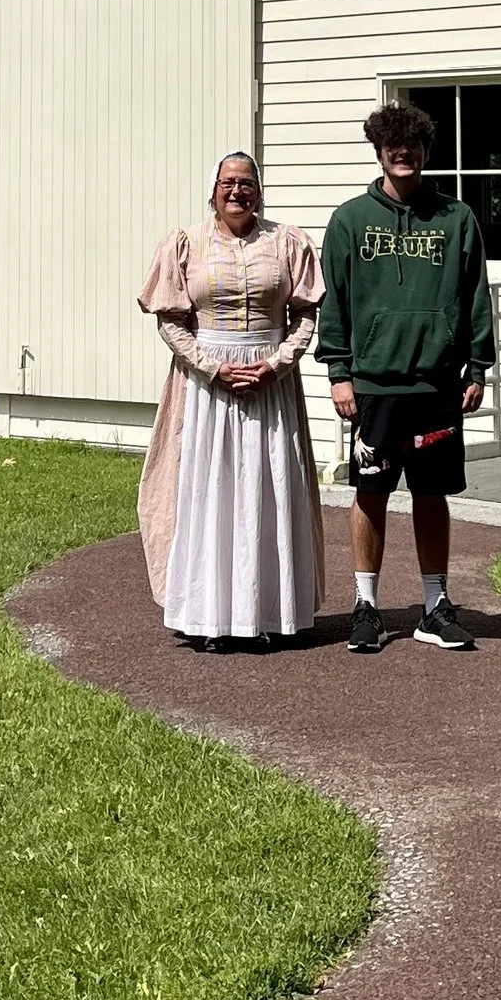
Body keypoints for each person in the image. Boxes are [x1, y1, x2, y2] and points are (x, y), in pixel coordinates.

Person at [316, 100, 495, 653]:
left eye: (413, 146)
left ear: (423, 152)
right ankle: (366, 606)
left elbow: (474, 296)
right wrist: (339, 372)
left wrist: (478, 365)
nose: (404, 154)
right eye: (393, 146)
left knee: (431, 492)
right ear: (379, 151)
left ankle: (434, 606)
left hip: (437, 385)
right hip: (374, 386)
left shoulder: (455, 219)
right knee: (370, 493)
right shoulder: (349, 221)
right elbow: (335, 301)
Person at [136, 153, 325, 644]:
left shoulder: (287, 243)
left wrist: (277, 364)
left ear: (259, 191)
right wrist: (212, 366)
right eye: (227, 182)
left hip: (270, 385)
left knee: (269, 489)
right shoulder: (185, 244)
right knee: (209, 491)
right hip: (205, 388)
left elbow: (305, 313)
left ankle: (269, 615)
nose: (237, 191)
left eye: (246, 183)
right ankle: (209, 617)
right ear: (213, 190)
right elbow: (170, 319)